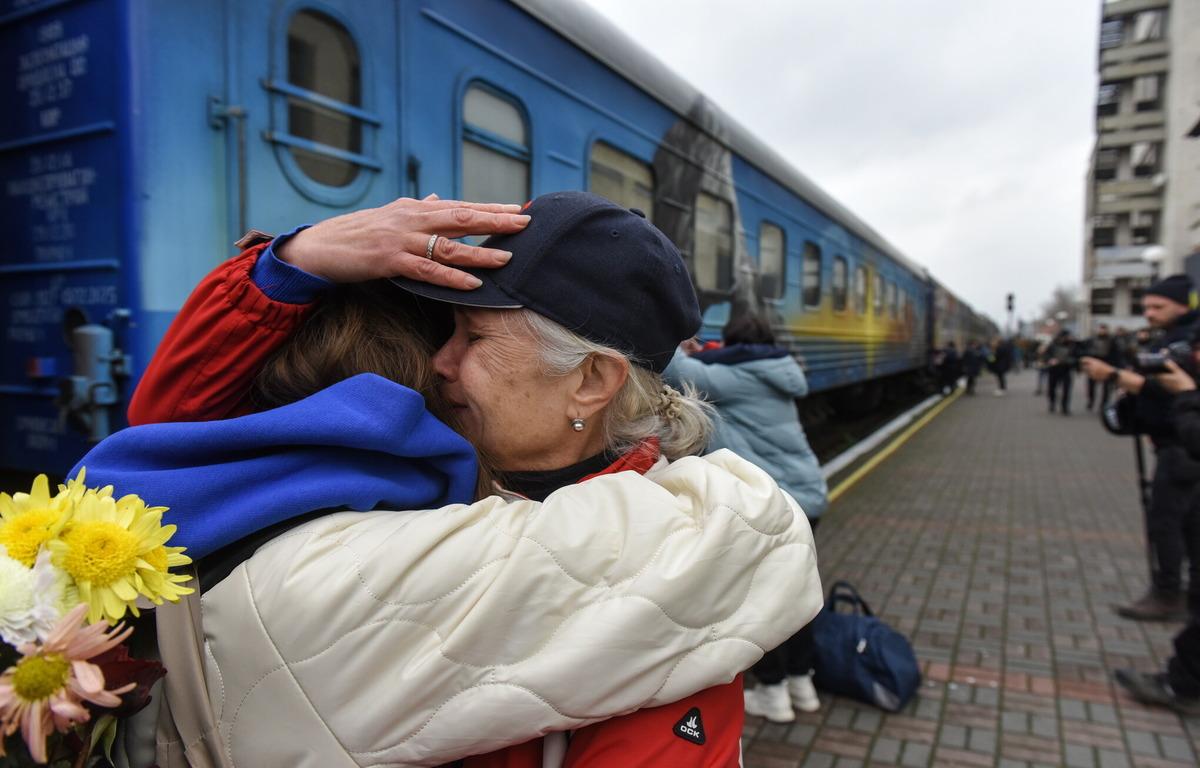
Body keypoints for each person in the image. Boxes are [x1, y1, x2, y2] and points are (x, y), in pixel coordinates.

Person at [80, 193, 822, 767]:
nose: (437, 363)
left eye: (473, 337)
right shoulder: (435, 470)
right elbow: (174, 437)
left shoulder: (677, 587)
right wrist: (290, 264)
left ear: (592, 381)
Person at [664, 313, 829, 723]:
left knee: (763, 600)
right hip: (808, 494)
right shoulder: (775, 371)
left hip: (774, 502)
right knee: (794, 591)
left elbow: (676, 369)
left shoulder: (738, 377)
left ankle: (772, 691)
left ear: (733, 342)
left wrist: (678, 338)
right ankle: (801, 684)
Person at [1082, 274, 1200, 621]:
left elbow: (1180, 392)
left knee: (1165, 522)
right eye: (1146, 306)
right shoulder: (1175, 338)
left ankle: (1166, 594)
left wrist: (1118, 378)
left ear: (1185, 304)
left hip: (1182, 448)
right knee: (1186, 526)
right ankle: (1183, 594)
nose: (1148, 313)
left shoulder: (1188, 342)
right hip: (1175, 444)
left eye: (1157, 306)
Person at [1114, 346, 1200, 714]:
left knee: (1167, 525)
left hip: (1181, 458)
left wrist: (1186, 397)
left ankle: (1184, 685)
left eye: (1157, 307)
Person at [1084, 323, 1123, 411]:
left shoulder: (1112, 341)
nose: (1102, 331)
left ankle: (1104, 404)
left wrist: (1116, 366)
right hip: (1093, 365)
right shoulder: (1091, 340)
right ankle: (1091, 400)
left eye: (1103, 329)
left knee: (1106, 387)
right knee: (1091, 386)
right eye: (1100, 329)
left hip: (1106, 365)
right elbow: (1085, 350)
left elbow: (1116, 354)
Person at [1042, 330, 1076, 415]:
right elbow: (1046, 355)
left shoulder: (1072, 346)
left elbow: (1076, 357)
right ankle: (1052, 403)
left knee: (1066, 390)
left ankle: (1065, 407)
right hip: (1054, 370)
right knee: (1051, 389)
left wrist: (1065, 361)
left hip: (1066, 370)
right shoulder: (1053, 345)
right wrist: (1050, 360)